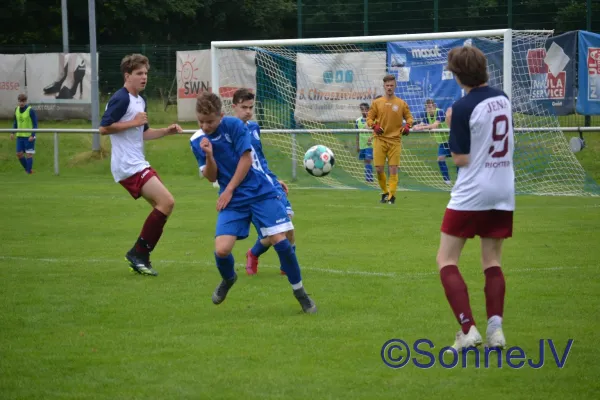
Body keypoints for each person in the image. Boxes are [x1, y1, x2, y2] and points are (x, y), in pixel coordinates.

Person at [189, 92, 317, 314]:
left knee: (281, 241)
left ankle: (301, 293)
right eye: (201, 121)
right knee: (221, 250)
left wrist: (228, 189)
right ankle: (228, 279)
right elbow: (211, 177)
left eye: (210, 121)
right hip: (235, 200)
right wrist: (209, 155)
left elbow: (246, 159)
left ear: (221, 115)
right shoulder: (197, 140)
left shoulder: (235, 126)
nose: (205, 126)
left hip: (259, 191)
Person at [435, 45, 515, 352]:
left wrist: (451, 121)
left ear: (457, 74)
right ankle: (496, 330)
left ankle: (468, 329)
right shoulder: (503, 99)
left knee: (446, 259)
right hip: (503, 189)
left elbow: (460, 159)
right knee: (492, 260)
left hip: (472, 192)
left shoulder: (462, 107)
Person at [99, 54, 183, 276]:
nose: (144, 77)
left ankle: (140, 255)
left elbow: (143, 134)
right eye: (139, 73)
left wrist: (166, 131)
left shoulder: (140, 100)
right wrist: (133, 122)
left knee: (164, 206)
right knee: (166, 202)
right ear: (127, 76)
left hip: (137, 163)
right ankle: (138, 253)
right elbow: (104, 128)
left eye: (146, 73)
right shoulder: (121, 98)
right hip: (128, 166)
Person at [229, 89, 295, 276]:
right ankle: (254, 254)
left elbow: (259, 158)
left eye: (251, 107)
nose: (248, 111)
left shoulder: (254, 128)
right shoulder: (229, 132)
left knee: (287, 224)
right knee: (273, 232)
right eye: (244, 107)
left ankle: (287, 267)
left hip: (268, 182)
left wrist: (274, 179)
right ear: (234, 107)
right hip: (252, 189)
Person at [367, 75, 414, 204]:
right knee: (378, 169)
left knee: (393, 168)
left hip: (395, 140)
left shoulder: (401, 103)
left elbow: (410, 118)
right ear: (384, 86)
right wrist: (374, 126)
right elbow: (369, 119)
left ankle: (391, 196)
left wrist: (407, 126)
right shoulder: (377, 103)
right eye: (387, 85)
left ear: (395, 86)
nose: (389, 87)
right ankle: (385, 192)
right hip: (380, 139)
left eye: (391, 85)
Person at [412, 99, 453, 185]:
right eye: (427, 107)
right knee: (440, 159)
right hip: (442, 142)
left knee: (457, 159)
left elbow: (434, 125)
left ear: (434, 106)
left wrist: (421, 128)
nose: (429, 109)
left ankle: (461, 179)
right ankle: (447, 181)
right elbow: (423, 123)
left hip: (451, 139)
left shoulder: (440, 112)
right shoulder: (427, 115)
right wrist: (416, 126)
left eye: (430, 106)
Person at [11, 94, 38, 174]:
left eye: (23, 101)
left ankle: (28, 172)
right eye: (20, 101)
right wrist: (12, 132)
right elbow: (15, 123)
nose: (21, 103)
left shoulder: (30, 110)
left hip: (29, 136)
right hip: (20, 136)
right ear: (18, 101)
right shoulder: (16, 109)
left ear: (26, 101)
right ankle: (28, 169)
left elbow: (35, 124)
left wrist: (32, 135)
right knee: (19, 154)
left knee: (29, 154)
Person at [355, 102, 373, 182]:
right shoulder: (357, 121)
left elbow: (375, 131)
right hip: (362, 145)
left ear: (369, 110)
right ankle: (368, 177)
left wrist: (371, 138)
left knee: (368, 159)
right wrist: (357, 145)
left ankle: (369, 178)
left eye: (366, 109)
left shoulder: (372, 120)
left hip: (371, 144)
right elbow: (357, 134)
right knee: (366, 161)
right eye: (362, 110)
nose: (364, 111)